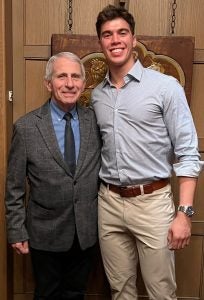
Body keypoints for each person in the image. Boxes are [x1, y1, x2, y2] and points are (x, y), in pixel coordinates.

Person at [91, 5, 203, 300]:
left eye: (121, 33)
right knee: (120, 291)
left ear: (133, 38)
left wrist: (185, 213)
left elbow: (188, 154)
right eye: (107, 34)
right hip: (109, 204)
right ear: (100, 42)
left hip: (152, 204)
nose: (115, 40)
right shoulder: (97, 95)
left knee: (161, 293)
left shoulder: (165, 87)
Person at [5, 52, 101, 300]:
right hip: (44, 234)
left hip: (86, 233)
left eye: (75, 76)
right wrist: (16, 230)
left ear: (83, 82)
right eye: (62, 76)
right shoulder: (26, 128)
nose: (69, 83)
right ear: (49, 83)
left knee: (77, 293)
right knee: (46, 294)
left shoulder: (96, 122)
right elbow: (14, 187)